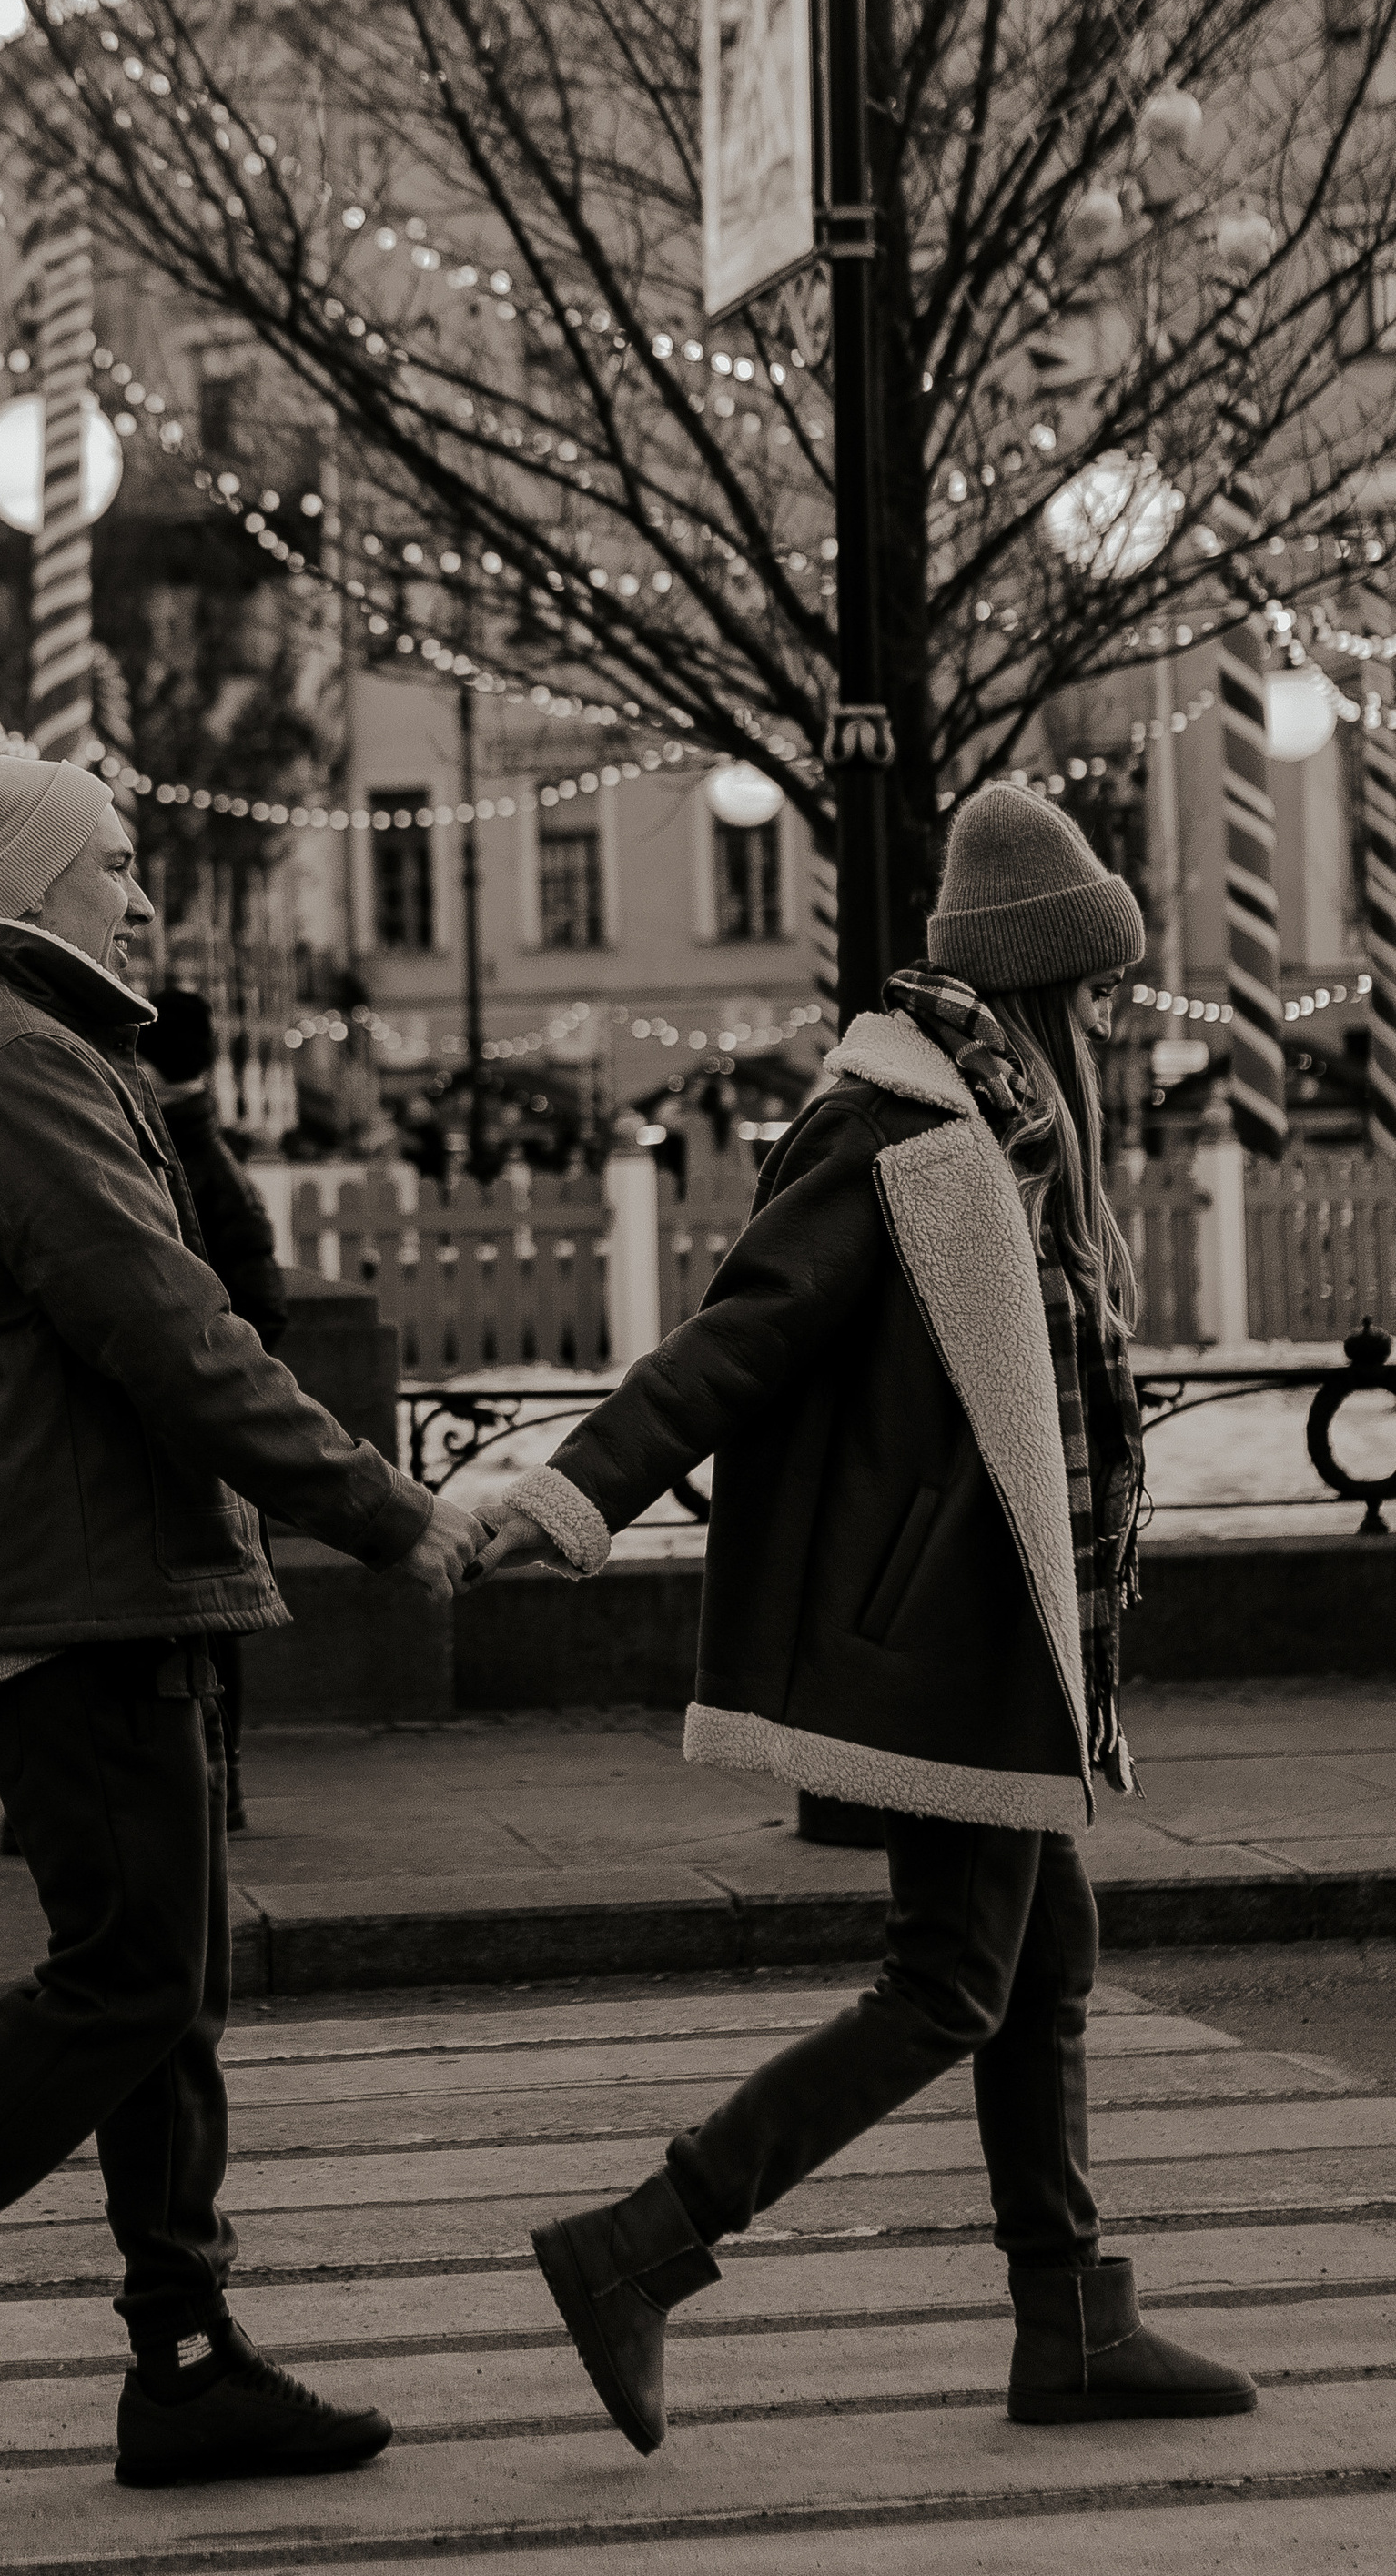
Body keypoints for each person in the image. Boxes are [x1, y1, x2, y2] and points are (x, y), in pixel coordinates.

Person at [0, 753, 477, 2523]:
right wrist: (387, 1512)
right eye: (112, 865)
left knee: (163, 1989)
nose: (139, 895)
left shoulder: (22, 1049)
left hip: (102, 1578)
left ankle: (185, 2362)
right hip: (73, 1588)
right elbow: (172, 1336)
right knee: (123, 1979)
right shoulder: (11, 1062)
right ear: (33, 887)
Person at [472, 786, 1256, 2453]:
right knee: (952, 1983)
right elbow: (738, 1333)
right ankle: (642, 2244)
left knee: (1044, 1966)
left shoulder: (1004, 1142)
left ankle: (1069, 2325)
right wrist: (574, 1490)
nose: (1115, 1025)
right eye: (1100, 991)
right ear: (1043, 986)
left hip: (1009, 1637)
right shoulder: (900, 1130)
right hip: (941, 1642)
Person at [137, 984, 288, 1833]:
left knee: (212, 1613)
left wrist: (209, 1383)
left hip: (202, 1427)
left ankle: (218, 1780)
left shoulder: (191, 1162)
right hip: (208, 1419)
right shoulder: (197, 1153)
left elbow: (260, 1308)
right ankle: (215, 1778)